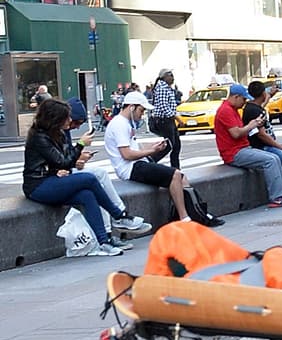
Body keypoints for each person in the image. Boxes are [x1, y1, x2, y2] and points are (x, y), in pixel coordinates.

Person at [23, 98, 140, 254]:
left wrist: (62, 166)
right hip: (37, 186)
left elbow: (62, 160)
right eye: (67, 117)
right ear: (55, 119)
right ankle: (118, 215)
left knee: (87, 195)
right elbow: (63, 161)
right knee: (89, 178)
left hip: (51, 179)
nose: (70, 121)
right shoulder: (39, 137)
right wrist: (81, 145)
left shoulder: (57, 133)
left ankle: (103, 242)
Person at [104, 91, 202, 224]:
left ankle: (194, 211)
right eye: (141, 110)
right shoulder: (120, 124)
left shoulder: (125, 122)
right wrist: (151, 151)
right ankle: (184, 217)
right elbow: (126, 154)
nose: (142, 114)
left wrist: (152, 147)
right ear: (132, 107)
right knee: (175, 174)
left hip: (136, 165)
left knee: (181, 177)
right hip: (130, 169)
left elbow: (133, 149)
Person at [65, 100, 151, 237]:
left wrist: (77, 161)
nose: (75, 127)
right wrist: (80, 145)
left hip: (62, 173)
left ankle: (107, 234)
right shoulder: (54, 132)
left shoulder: (64, 130)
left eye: (79, 124)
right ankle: (120, 216)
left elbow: (64, 158)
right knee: (98, 177)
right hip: (52, 179)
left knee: (96, 185)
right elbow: (57, 161)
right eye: (75, 123)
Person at [213, 84, 282, 206]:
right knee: (270, 160)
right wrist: (252, 125)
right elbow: (235, 134)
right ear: (236, 97)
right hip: (234, 153)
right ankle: (278, 197)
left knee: (275, 158)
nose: (245, 102)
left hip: (242, 149)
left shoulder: (232, 109)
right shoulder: (226, 111)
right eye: (243, 99)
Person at [148, 68, 182, 168]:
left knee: (176, 146)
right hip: (164, 121)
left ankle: (176, 169)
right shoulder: (162, 88)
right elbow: (164, 106)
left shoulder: (167, 88)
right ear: (164, 77)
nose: (172, 77)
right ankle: (151, 161)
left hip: (169, 120)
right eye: (170, 75)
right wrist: (177, 117)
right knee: (169, 145)